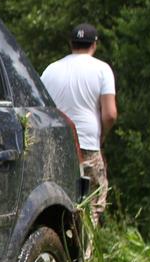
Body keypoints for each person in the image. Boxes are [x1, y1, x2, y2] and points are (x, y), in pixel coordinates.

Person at [40, 24, 117, 223]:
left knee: (56, 202)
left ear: (70, 43)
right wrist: (102, 137)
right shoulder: (102, 69)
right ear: (95, 44)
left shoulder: (50, 70)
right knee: (92, 203)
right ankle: (85, 252)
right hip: (87, 145)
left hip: (55, 147)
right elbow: (110, 114)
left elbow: (38, 108)